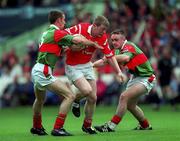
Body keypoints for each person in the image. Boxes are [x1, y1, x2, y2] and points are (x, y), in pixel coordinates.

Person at [30, 10, 103, 136]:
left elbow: (60, 49)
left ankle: (37, 127)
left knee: (39, 100)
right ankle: (58, 128)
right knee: (70, 95)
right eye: (63, 20)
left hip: (37, 69)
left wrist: (69, 48)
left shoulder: (47, 32)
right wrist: (92, 43)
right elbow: (77, 40)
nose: (64, 22)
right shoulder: (57, 33)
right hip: (44, 71)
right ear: (58, 20)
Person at [65, 16, 125, 134]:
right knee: (87, 91)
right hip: (73, 66)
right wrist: (67, 45)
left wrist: (118, 72)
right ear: (95, 26)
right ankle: (76, 100)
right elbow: (63, 35)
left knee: (93, 97)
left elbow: (110, 56)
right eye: (102, 29)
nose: (104, 32)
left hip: (87, 65)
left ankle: (87, 125)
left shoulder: (102, 37)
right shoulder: (79, 28)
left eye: (105, 30)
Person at [93, 29, 156, 132]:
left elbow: (126, 58)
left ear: (123, 40)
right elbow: (105, 61)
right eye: (112, 40)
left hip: (146, 77)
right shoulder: (117, 50)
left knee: (124, 96)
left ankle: (110, 126)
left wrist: (110, 57)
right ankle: (145, 125)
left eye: (116, 40)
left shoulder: (129, 46)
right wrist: (91, 65)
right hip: (135, 77)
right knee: (131, 105)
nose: (113, 42)